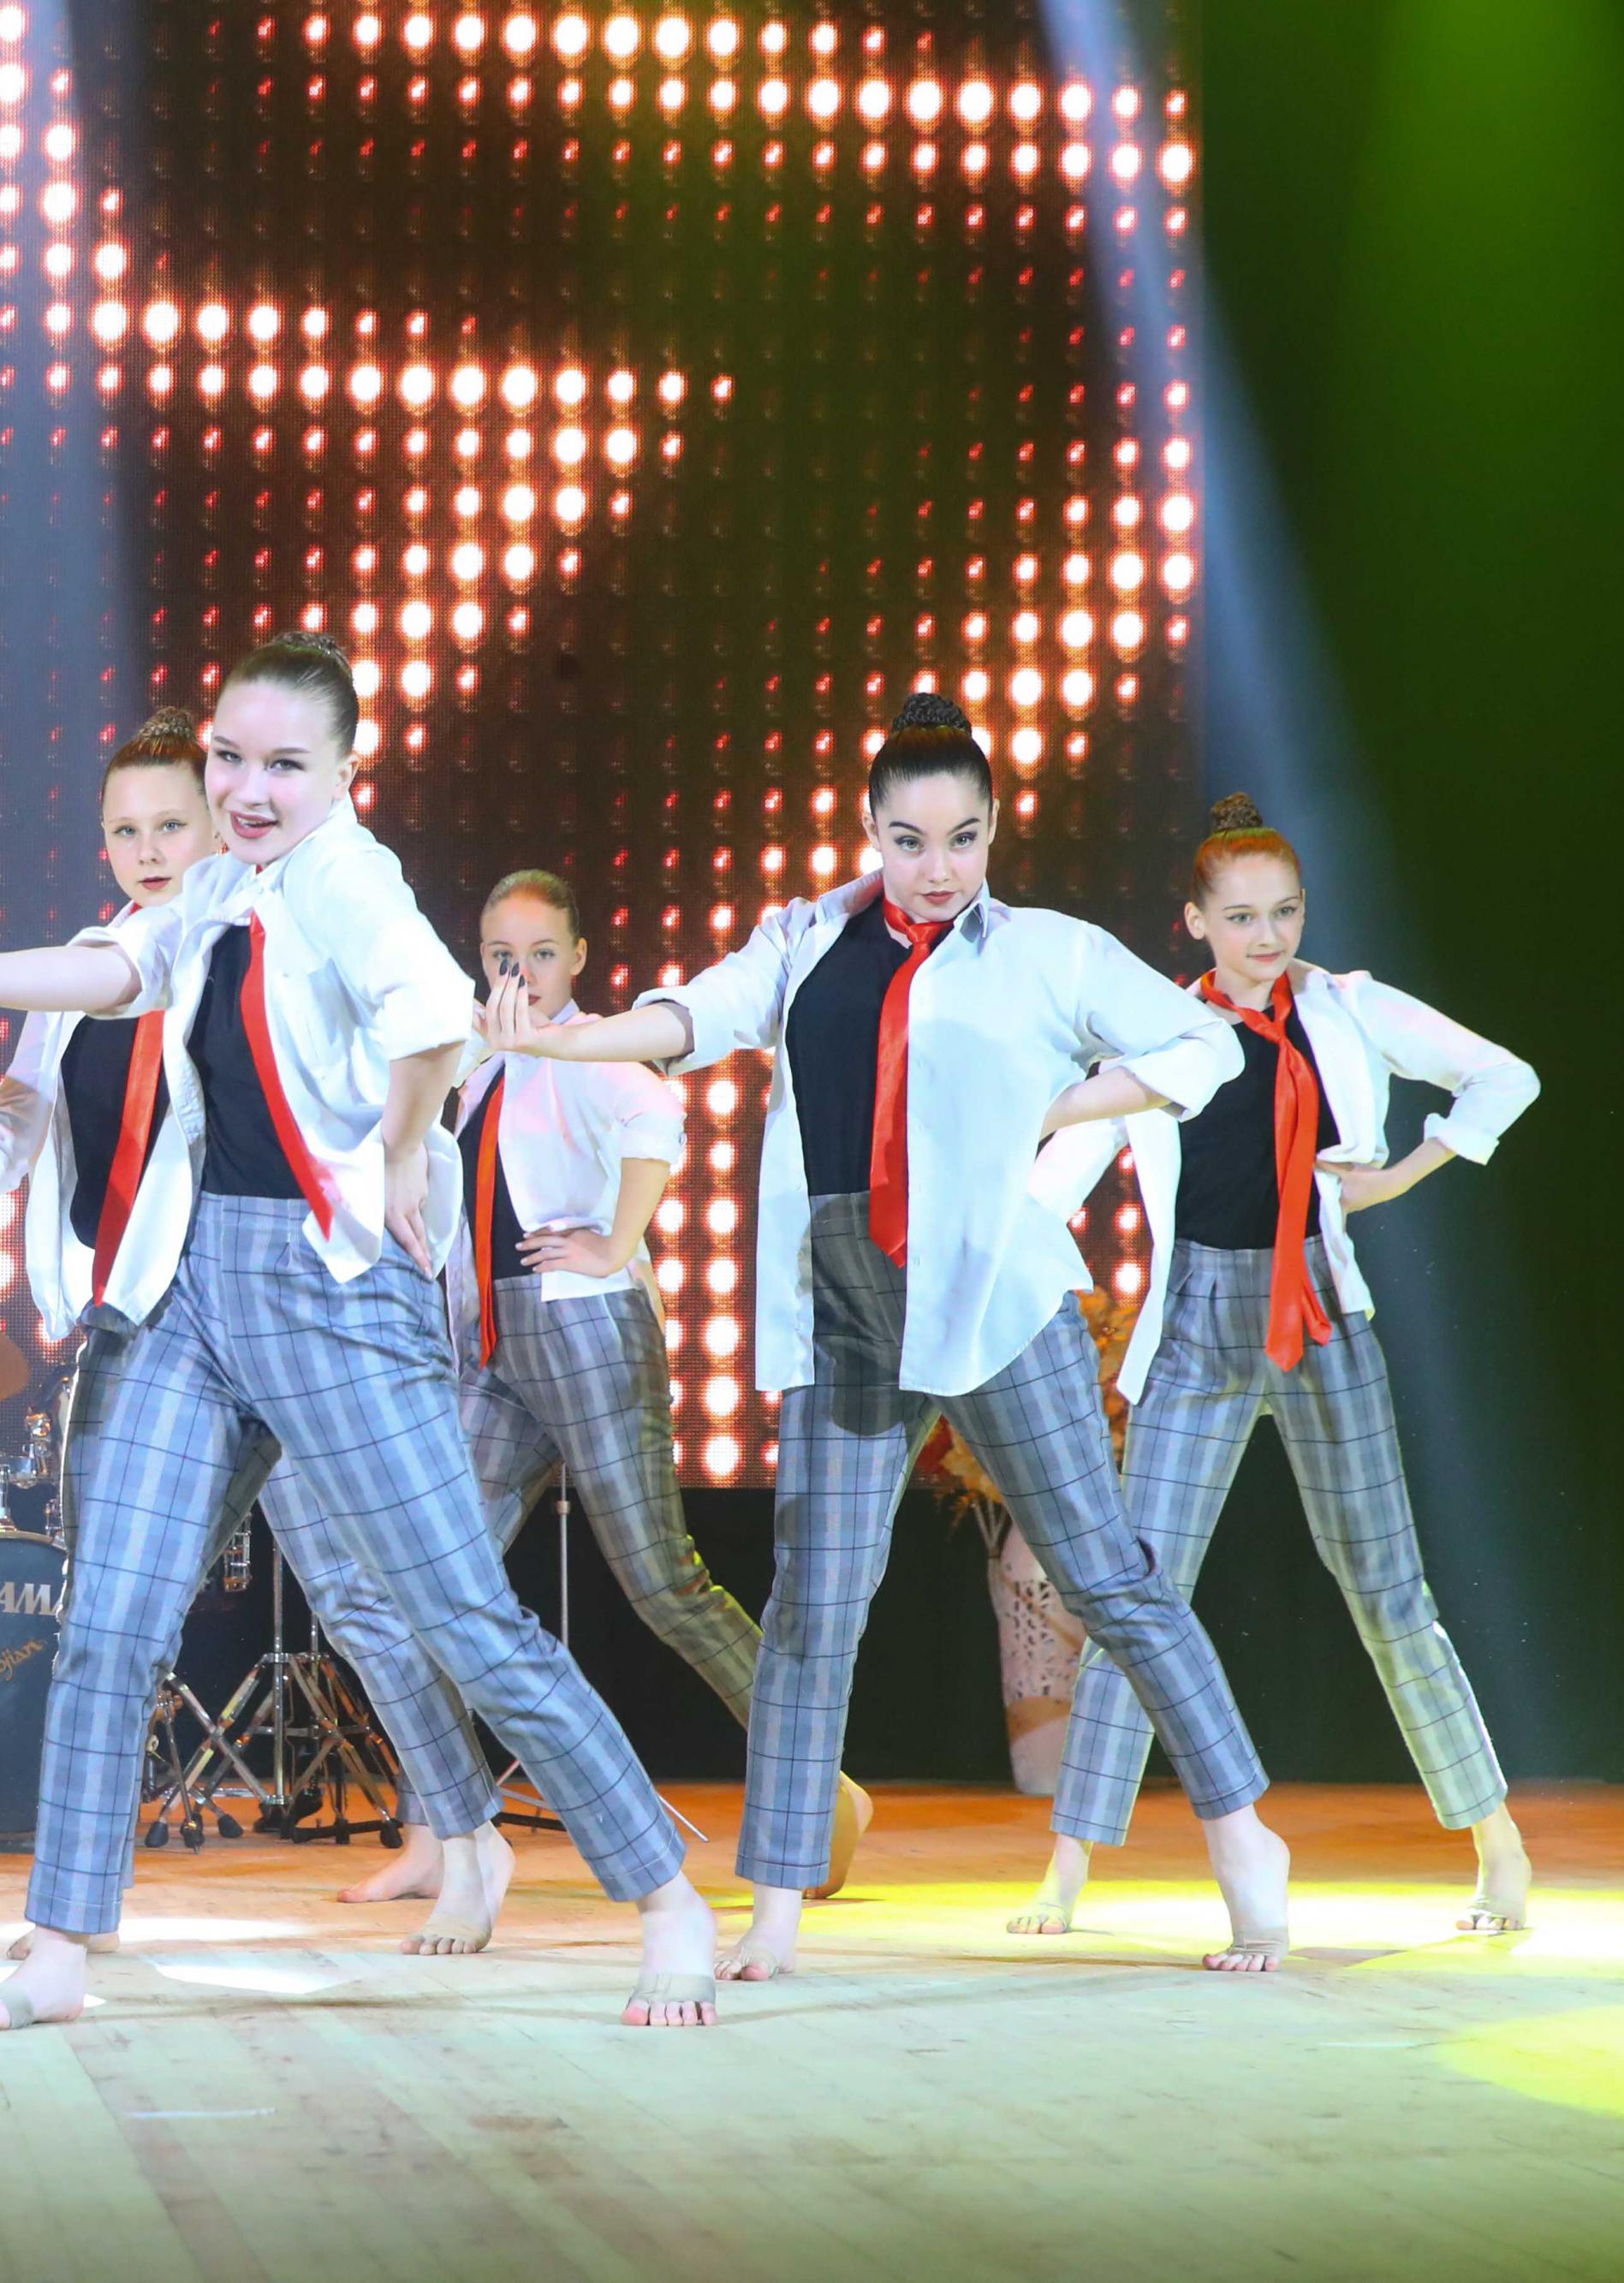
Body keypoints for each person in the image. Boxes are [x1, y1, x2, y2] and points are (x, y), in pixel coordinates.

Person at [0, 635, 725, 2031]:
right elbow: (117, 972)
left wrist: (407, 1147)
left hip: (328, 1293)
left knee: (466, 1618)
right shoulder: (222, 885)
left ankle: (665, 1896)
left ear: (345, 771)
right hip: (190, 1289)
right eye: (229, 756)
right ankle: (57, 1949)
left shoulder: (350, 881)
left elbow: (432, 1017)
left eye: (283, 764)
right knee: (111, 1618)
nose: (246, 787)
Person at [486, 692, 1296, 1978]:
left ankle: (1245, 1835)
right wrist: (566, 1037)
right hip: (847, 1309)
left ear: (992, 831)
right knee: (812, 1608)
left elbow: (1205, 1044)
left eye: (963, 839)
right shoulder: (806, 938)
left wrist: (1064, 1103)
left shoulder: (1047, 952)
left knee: (1109, 1580)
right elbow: (691, 1017)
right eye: (910, 840)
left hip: (994, 1299)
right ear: (870, 830)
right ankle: (777, 1901)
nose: (937, 867)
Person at [0, 709, 510, 1941]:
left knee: (363, 1596)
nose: (149, 851)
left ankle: (460, 1835)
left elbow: (411, 1052)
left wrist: (406, 1169)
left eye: (172, 825)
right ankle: (80, 1909)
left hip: (292, 1310)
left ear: (222, 828)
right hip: (148, 1335)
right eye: (125, 831)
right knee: (110, 1620)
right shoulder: (75, 980)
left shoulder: (272, 943)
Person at [1012, 793, 1537, 1939]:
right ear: (1195, 921)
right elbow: (1050, 1183)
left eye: (1285, 912)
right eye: (1242, 916)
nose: (1267, 936)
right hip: (1199, 1319)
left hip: (1320, 1308)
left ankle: (1497, 1842)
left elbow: (1504, 1075)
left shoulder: (1347, 1008)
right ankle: (1068, 1863)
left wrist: (1398, 1174)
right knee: (1136, 1594)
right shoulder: (1162, 1033)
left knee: (1389, 1591)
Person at [450, 871, 874, 1898]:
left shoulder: (592, 1049)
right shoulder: (476, 1062)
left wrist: (614, 1242)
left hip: (586, 1330)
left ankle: (817, 1787)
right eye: (502, 956)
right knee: (439, 1575)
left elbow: (656, 1118)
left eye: (540, 953)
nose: (521, 974)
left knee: (663, 1584)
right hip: (495, 1342)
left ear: (577, 957)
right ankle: (450, 1831)